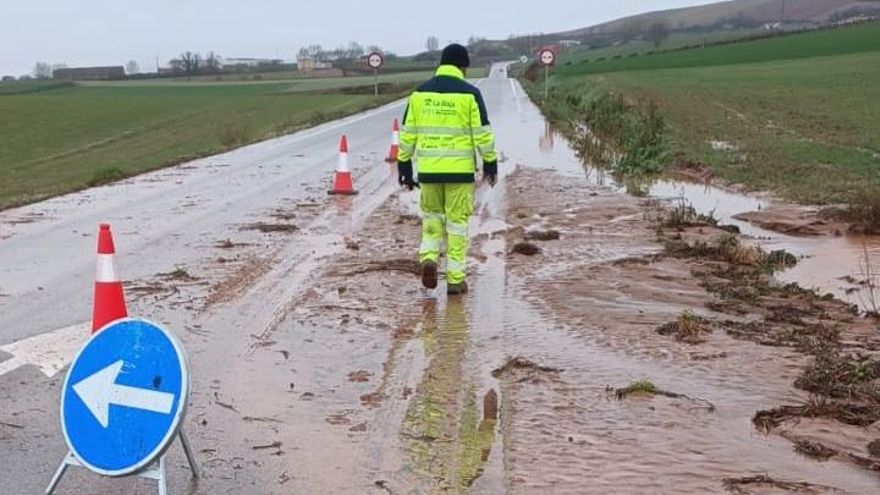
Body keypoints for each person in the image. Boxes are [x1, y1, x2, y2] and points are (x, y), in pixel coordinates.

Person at [397, 44, 498, 295]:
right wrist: (490, 162)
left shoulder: (419, 94)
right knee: (457, 225)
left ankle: (429, 258)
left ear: (441, 64)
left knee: (432, 220)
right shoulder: (470, 94)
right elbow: (483, 134)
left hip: (429, 173)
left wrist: (404, 165)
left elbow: (407, 134)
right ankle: (455, 280)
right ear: (463, 67)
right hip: (459, 174)